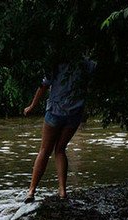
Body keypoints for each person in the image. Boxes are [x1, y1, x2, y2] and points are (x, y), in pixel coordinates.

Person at [23, 58, 96, 202]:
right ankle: (62, 191)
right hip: (75, 113)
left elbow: (43, 86)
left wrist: (31, 107)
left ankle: (31, 191)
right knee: (60, 149)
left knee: (44, 150)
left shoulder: (57, 64)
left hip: (55, 111)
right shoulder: (88, 64)